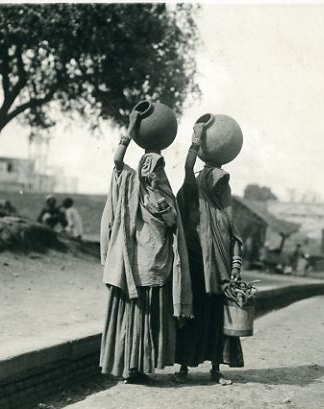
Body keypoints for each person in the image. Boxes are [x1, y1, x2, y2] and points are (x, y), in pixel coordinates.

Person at [99, 110, 193, 384]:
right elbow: (117, 160)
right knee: (134, 316)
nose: (150, 171)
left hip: (154, 264)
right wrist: (129, 128)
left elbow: (173, 224)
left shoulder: (164, 196)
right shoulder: (130, 184)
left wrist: (164, 210)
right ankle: (128, 369)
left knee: (146, 319)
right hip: (134, 264)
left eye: (156, 167)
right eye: (147, 166)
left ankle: (139, 368)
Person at [174, 123, 244, 385]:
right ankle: (183, 366)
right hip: (193, 264)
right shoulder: (193, 193)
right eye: (217, 183)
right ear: (205, 181)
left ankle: (216, 369)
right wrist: (195, 139)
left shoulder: (223, 207)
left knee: (216, 318)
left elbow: (234, 236)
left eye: (224, 184)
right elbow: (186, 167)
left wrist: (235, 266)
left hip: (218, 271)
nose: (220, 188)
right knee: (189, 316)